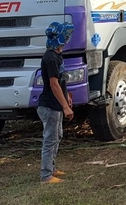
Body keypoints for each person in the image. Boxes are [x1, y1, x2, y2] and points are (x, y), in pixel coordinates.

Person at [38, 21, 75, 184]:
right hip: (49, 105)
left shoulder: (57, 56)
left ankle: (52, 168)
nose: (67, 40)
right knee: (50, 139)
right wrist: (65, 107)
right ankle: (46, 175)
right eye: (65, 37)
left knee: (57, 135)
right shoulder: (51, 58)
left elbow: (60, 81)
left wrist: (66, 95)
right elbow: (53, 84)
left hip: (56, 105)